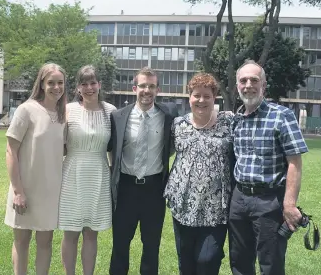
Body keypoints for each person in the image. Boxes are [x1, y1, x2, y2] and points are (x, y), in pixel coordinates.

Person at [229, 60, 309, 275]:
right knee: (239, 262)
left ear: (263, 85)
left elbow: (295, 162)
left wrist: (290, 205)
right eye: (243, 81)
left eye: (254, 80)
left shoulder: (282, 115)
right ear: (237, 86)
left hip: (269, 201)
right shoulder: (236, 119)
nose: (248, 85)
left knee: (271, 264)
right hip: (238, 200)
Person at [109, 66, 178, 275]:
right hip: (126, 189)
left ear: (158, 89)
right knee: (120, 245)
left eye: (151, 86)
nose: (146, 90)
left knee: (151, 247)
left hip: (154, 189)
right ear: (134, 88)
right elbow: (111, 149)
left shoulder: (169, 115)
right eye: (142, 86)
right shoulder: (118, 117)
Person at [164, 73, 235, 275]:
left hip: (216, 209)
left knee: (207, 260)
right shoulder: (178, 125)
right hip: (183, 205)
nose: (201, 100)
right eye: (197, 95)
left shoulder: (228, 122)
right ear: (190, 97)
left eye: (207, 96)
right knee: (185, 262)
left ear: (214, 98)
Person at [4, 63, 67, 275]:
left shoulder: (62, 115)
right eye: (51, 83)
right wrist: (18, 191)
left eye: (60, 83)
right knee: (21, 242)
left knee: (45, 243)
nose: (56, 87)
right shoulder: (26, 110)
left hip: (50, 192)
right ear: (41, 84)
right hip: (25, 189)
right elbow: (11, 151)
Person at [58, 65, 117, 275]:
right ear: (78, 88)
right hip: (73, 174)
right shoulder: (67, 110)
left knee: (92, 234)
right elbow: (58, 145)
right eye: (84, 83)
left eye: (93, 83)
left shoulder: (111, 112)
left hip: (99, 174)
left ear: (100, 85)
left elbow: (115, 150)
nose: (89, 87)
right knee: (71, 232)